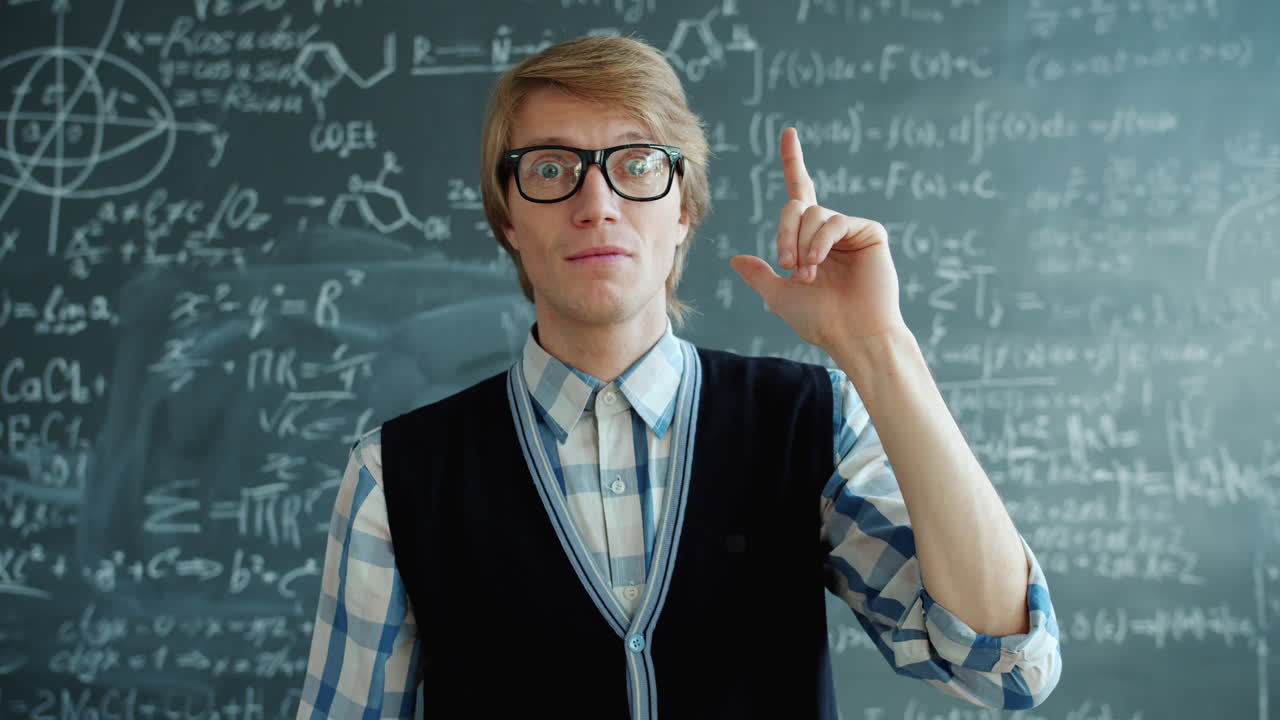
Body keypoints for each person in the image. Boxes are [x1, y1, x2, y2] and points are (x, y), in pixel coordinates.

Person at [296, 34, 1062, 719]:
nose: (596, 204)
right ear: (507, 220)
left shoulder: (808, 423)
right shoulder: (394, 475)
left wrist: (879, 346)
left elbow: (1003, 671)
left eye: (636, 164)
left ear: (684, 210)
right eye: (551, 168)